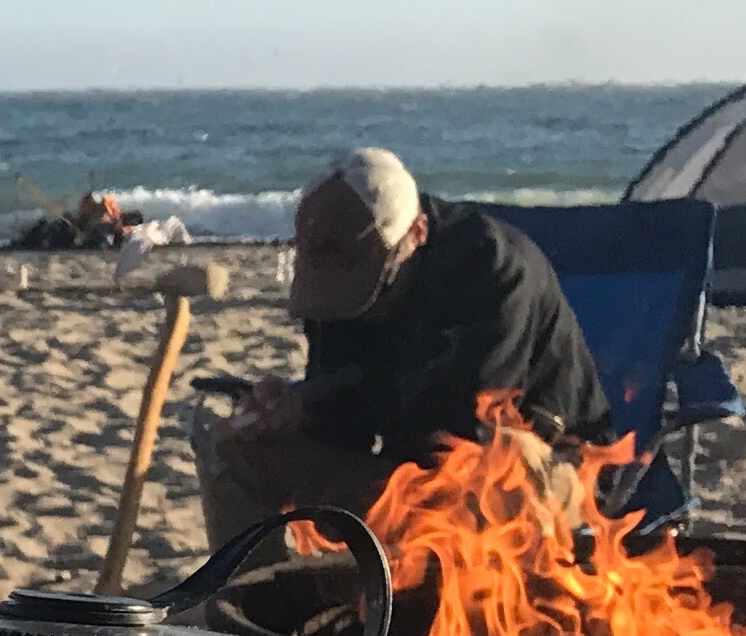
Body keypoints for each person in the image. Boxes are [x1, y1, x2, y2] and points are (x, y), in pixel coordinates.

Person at [195, 149, 610, 547]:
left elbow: (459, 441)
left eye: (370, 286)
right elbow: (342, 428)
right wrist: (296, 410)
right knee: (235, 449)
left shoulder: (494, 272)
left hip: (537, 484)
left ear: (416, 235)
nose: (356, 306)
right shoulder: (334, 267)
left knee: (498, 465)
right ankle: (250, 606)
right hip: (408, 477)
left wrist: (353, 401)